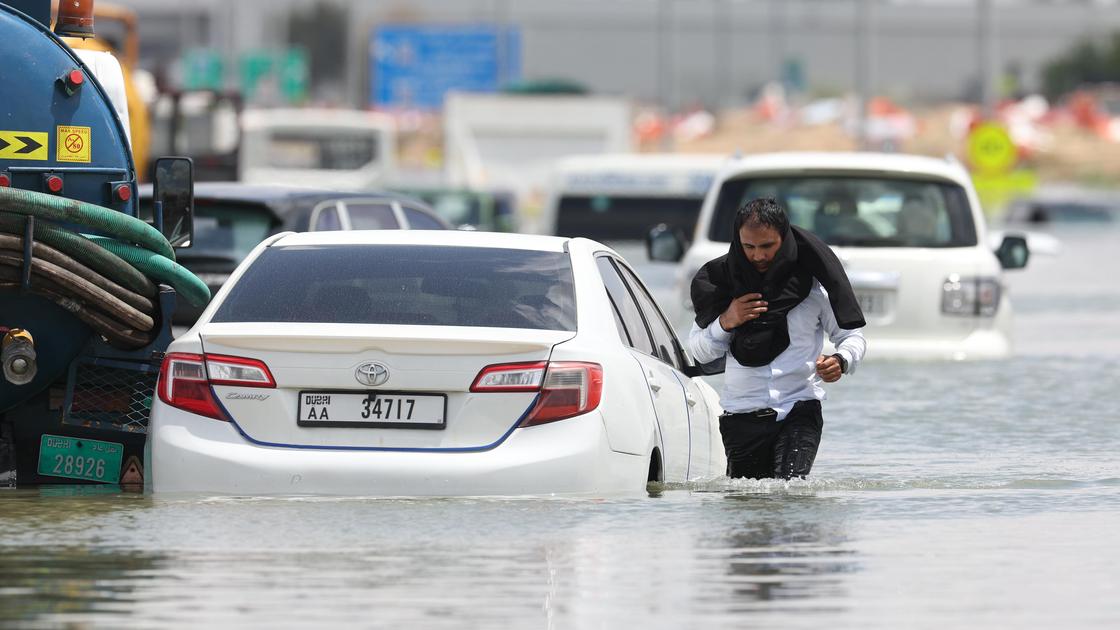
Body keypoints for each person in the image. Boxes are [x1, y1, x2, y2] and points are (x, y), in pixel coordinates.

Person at [689, 197, 867, 480]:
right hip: (741, 415)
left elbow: (851, 336)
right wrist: (727, 321)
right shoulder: (721, 286)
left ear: (783, 240)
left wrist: (841, 360)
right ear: (738, 243)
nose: (758, 256)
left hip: (800, 408)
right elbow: (700, 353)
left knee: (791, 491)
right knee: (746, 507)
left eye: (767, 246)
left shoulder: (812, 288)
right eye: (749, 247)